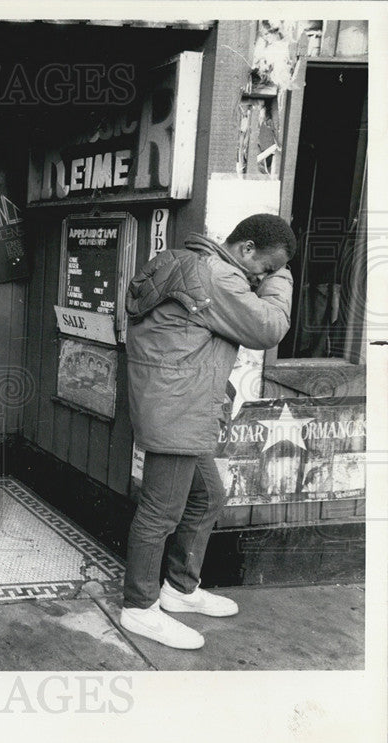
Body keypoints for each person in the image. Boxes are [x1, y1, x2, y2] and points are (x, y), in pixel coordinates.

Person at [120, 214, 295, 650]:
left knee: (206, 497)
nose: (266, 276)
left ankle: (179, 590)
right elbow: (269, 327)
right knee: (160, 512)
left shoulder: (193, 263)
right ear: (247, 249)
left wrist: (272, 272)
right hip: (178, 409)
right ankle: (139, 609)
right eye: (268, 266)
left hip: (178, 404)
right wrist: (285, 278)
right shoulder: (217, 275)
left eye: (274, 273)